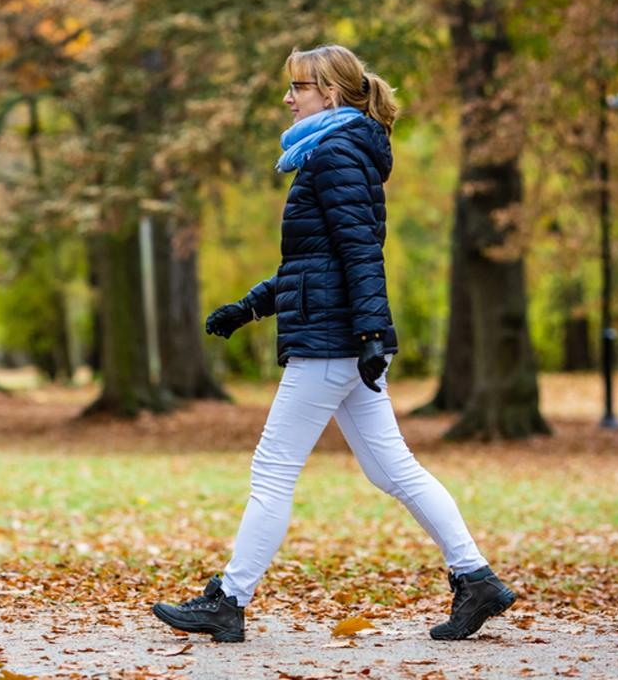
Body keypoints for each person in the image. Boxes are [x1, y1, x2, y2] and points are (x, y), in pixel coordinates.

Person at [151, 45, 515, 643]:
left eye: (300, 87)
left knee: (272, 469)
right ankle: (476, 578)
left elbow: (359, 253)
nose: (288, 98)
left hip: (333, 341)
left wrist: (372, 334)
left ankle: (230, 600)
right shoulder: (332, 152)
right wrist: (250, 307)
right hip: (341, 334)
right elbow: (313, 262)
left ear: (332, 94)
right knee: (392, 469)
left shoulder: (337, 153)